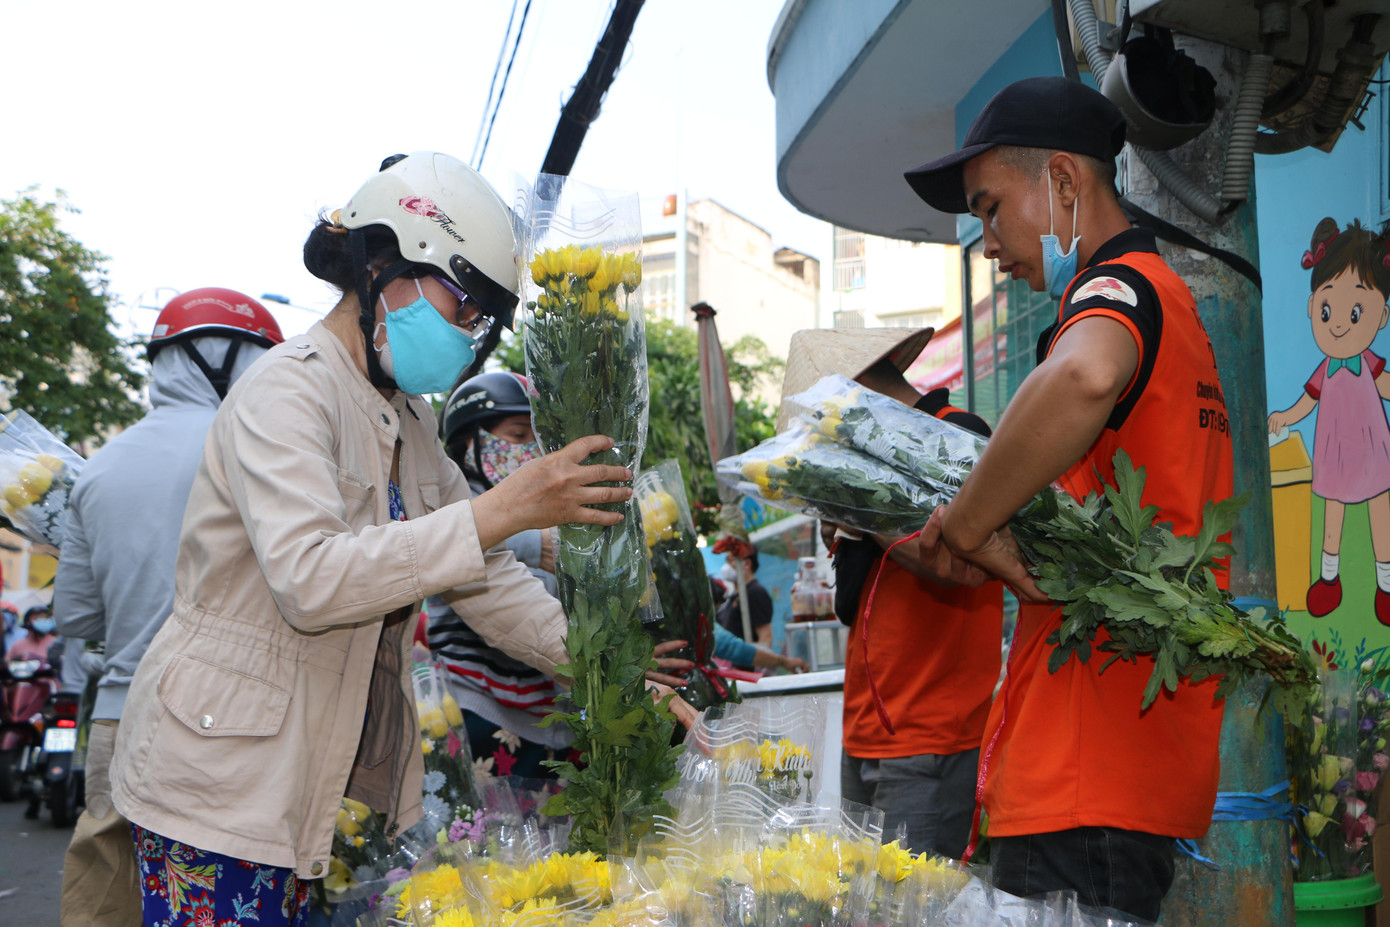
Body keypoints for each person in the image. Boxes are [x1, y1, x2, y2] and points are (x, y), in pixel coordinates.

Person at [108, 152, 689, 927]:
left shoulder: (409, 425)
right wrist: (500, 510)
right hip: (223, 776)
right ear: (386, 267)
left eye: (479, 318)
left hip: (319, 775)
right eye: (463, 303)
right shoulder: (286, 391)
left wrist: (609, 668)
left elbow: (486, 581)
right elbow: (313, 581)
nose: (466, 333)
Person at [904, 76, 1233, 922]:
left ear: (1061, 181)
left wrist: (972, 522)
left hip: (1092, 763)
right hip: (1115, 760)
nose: (988, 242)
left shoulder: (1118, 288)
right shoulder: (1169, 304)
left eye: (988, 208)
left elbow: (1084, 374)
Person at [52, 288, 284, 927]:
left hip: (119, 717)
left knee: (106, 899)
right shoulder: (265, 455)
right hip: (227, 726)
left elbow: (74, 619)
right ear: (236, 360)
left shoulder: (96, 472)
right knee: (210, 902)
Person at [780, 327, 1006, 857]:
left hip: (928, 736)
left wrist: (854, 504)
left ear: (847, 396)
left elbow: (952, 557)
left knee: (914, 909)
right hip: (866, 728)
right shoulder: (864, 464)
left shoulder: (957, 435)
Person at [428, 372, 694, 776]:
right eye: (517, 436)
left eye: (536, 443)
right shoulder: (452, 502)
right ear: (469, 442)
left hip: (555, 717)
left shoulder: (561, 516)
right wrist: (535, 543)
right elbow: (443, 539)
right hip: (481, 708)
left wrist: (622, 661)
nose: (528, 454)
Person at [1267, 218, 1390, 622]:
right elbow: (1308, 400)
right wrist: (1286, 416)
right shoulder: (1327, 368)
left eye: (1356, 311)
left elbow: (1385, 384)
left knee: (1380, 508)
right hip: (1336, 449)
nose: (1338, 323)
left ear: (1381, 317)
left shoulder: (1367, 362)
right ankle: (1329, 579)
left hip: (1372, 447)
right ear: (1312, 306)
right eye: (1327, 307)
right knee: (1332, 509)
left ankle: (1386, 584)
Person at [715, 547, 773, 644]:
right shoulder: (732, 595)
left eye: (730, 560)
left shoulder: (755, 592)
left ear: (747, 564)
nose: (726, 566)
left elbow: (765, 637)